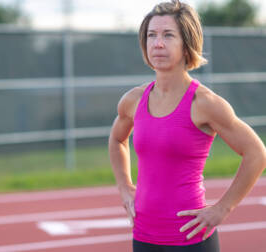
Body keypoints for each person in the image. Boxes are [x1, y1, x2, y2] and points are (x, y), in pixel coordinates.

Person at [108, 0, 266, 251]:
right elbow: (117, 140)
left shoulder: (205, 103)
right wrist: (124, 186)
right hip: (143, 235)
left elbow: (256, 153)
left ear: (186, 44)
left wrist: (223, 208)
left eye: (168, 35)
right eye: (152, 35)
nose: (157, 43)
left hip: (190, 239)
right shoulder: (133, 100)